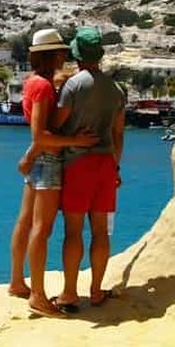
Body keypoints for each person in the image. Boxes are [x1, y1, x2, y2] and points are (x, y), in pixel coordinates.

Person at [9, 28, 99, 318]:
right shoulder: (44, 87)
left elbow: (38, 135)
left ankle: (17, 282)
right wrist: (77, 141)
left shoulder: (33, 82)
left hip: (38, 158)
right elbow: (40, 134)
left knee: (25, 221)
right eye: (61, 52)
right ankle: (37, 296)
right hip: (49, 160)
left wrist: (28, 156)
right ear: (53, 55)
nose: (64, 55)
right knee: (42, 229)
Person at [53, 27, 126, 311]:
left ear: (77, 55)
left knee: (73, 231)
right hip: (106, 164)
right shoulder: (116, 89)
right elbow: (118, 134)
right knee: (100, 231)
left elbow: (57, 123)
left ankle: (70, 294)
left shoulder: (73, 86)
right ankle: (96, 291)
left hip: (78, 164)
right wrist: (115, 166)